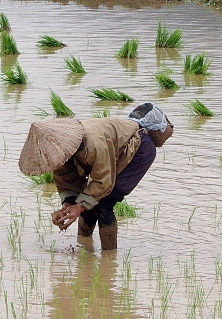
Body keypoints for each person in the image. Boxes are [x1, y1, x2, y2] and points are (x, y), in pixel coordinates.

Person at [18, 102, 174, 251]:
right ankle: (84, 248)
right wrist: (68, 206)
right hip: (111, 153)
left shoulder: (93, 144)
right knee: (86, 201)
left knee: (104, 204)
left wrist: (79, 207)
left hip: (139, 148)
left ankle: (109, 258)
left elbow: (103, 181)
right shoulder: (58, 155)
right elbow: (67, 182)